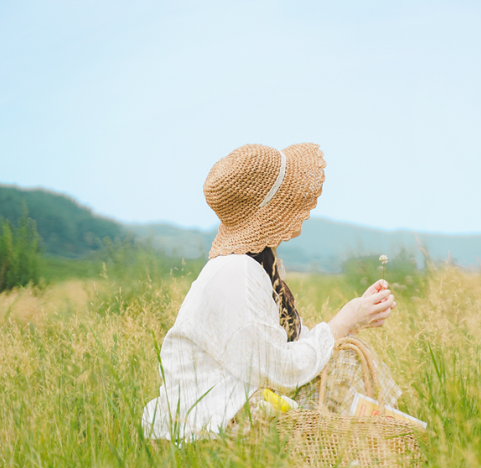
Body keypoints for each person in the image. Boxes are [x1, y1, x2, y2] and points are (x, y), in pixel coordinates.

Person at [141, 143, 401, 441]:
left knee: (342, 354)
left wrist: (356, 317)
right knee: (342, 361)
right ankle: (383, 447)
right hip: (209, 429)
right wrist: (343, 322)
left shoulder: (254, 267)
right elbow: (277, 368)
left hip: (237, 412)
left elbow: (287, 351)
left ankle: (379, 443)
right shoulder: (236, 272)